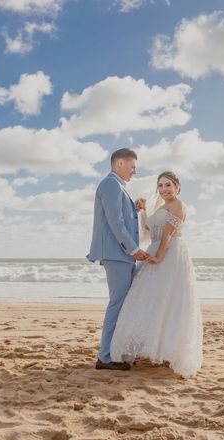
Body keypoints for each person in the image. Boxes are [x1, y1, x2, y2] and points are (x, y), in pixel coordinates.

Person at [110, 171, 203, 378]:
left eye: (168, 185)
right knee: (147, 300)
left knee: (166, 301)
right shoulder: (161, 206)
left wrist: (159, 257)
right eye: (160, 186)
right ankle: (147, 347)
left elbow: (168, 235)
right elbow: (148, 231)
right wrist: (143, 211)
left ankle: (168, 349)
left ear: (178, 186)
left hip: (169, 256)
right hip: (155, 250)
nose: (164, 189)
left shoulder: (178, 205)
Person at [86, 148, 149, 370]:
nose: (134, 171)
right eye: (132, 166)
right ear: (119, 163)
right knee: (117, 304)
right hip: (117, 254)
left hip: (120, 254)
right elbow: (115, 223)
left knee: (124, 304)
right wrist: (133, 250)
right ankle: (104, 357)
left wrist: (135, 207)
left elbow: (121, 215)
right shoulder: (110, 184)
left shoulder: (118, 187)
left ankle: (116, 351)